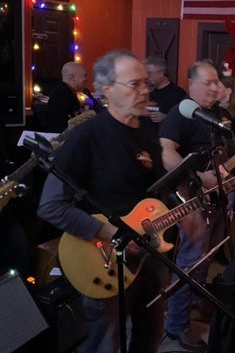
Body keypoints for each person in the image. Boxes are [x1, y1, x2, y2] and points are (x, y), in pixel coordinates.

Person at [37, 50, 168, 353]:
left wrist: (184, 209)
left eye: (146, 83)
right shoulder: (86, 137)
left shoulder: (149, 133)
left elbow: (155, 192)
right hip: (103, 259)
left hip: (150, 256)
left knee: (150, 335)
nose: (144, 91)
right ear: (107, 89)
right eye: (134, 84)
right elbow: (50, 205)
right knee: (107, 344)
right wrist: (112, 233)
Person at [159, 60, 234, 351]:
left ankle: (195, 302)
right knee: (190, 262)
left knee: (206, 258)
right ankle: (177, 325)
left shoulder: (215, 114)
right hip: (189, 199)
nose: (215, 87)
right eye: (208, 82)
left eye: (217, 81)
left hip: (215, 199)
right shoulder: (182, 112)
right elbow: (165, 152)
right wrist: (198, 178)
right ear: (191, 84)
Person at [144, 56, 186, 125]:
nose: (147, 77)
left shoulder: (178, 93)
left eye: (150, 73)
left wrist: (166, 117)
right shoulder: (148, 91)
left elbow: (185, 121)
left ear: (161, 73)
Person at [46, 62, 87, 132]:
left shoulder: (65, 91)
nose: (86, 79)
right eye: (84, 76)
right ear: (73, 78)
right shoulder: (61, 94)